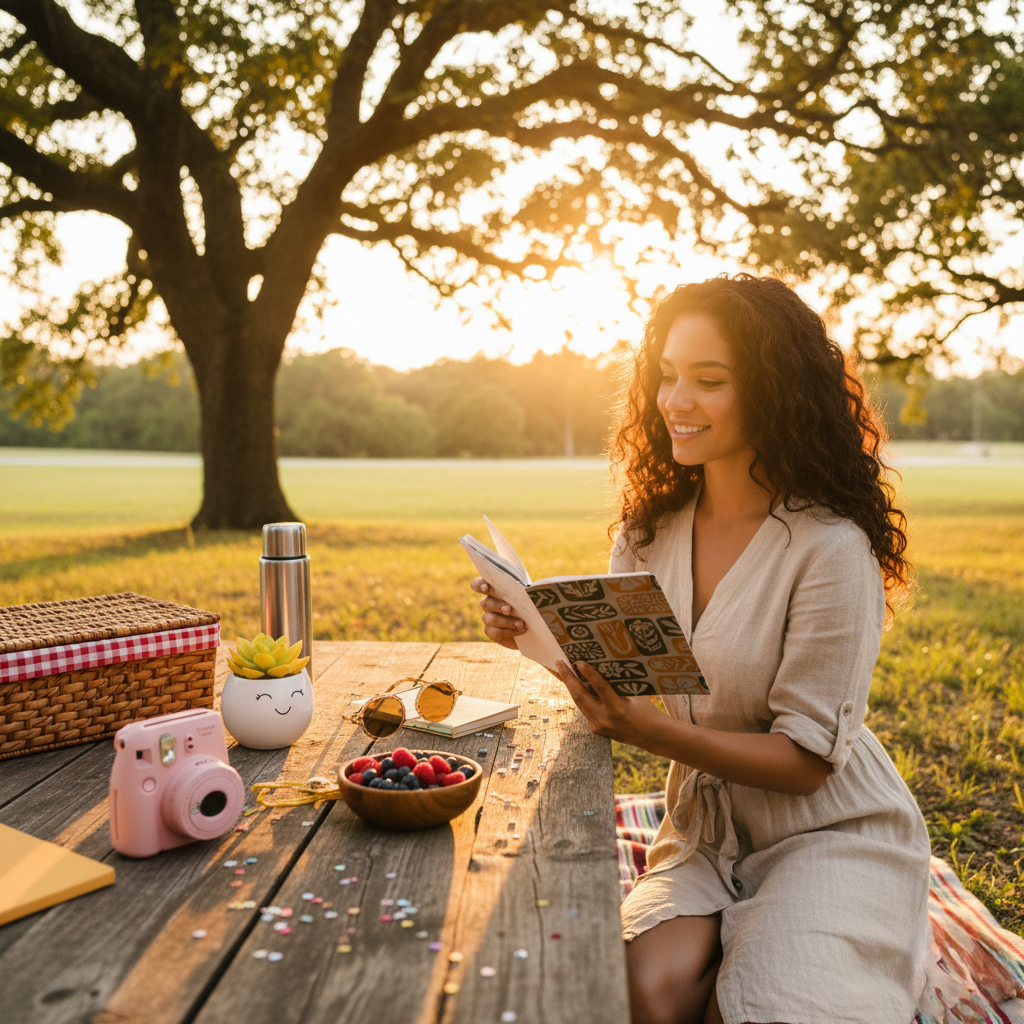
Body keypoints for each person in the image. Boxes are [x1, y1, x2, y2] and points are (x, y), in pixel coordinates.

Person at [471, 274, 932, 1024]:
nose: (675, 401)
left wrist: (655, 734)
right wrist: (533, 631)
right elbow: (631, 684)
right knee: (642, 995)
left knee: (774, 1009)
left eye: (708, 381)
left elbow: (809, 764)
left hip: (829, 829)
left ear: (775, 392)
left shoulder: (830, 550)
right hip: (703, 827)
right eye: (668, 376)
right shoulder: (648, 534)